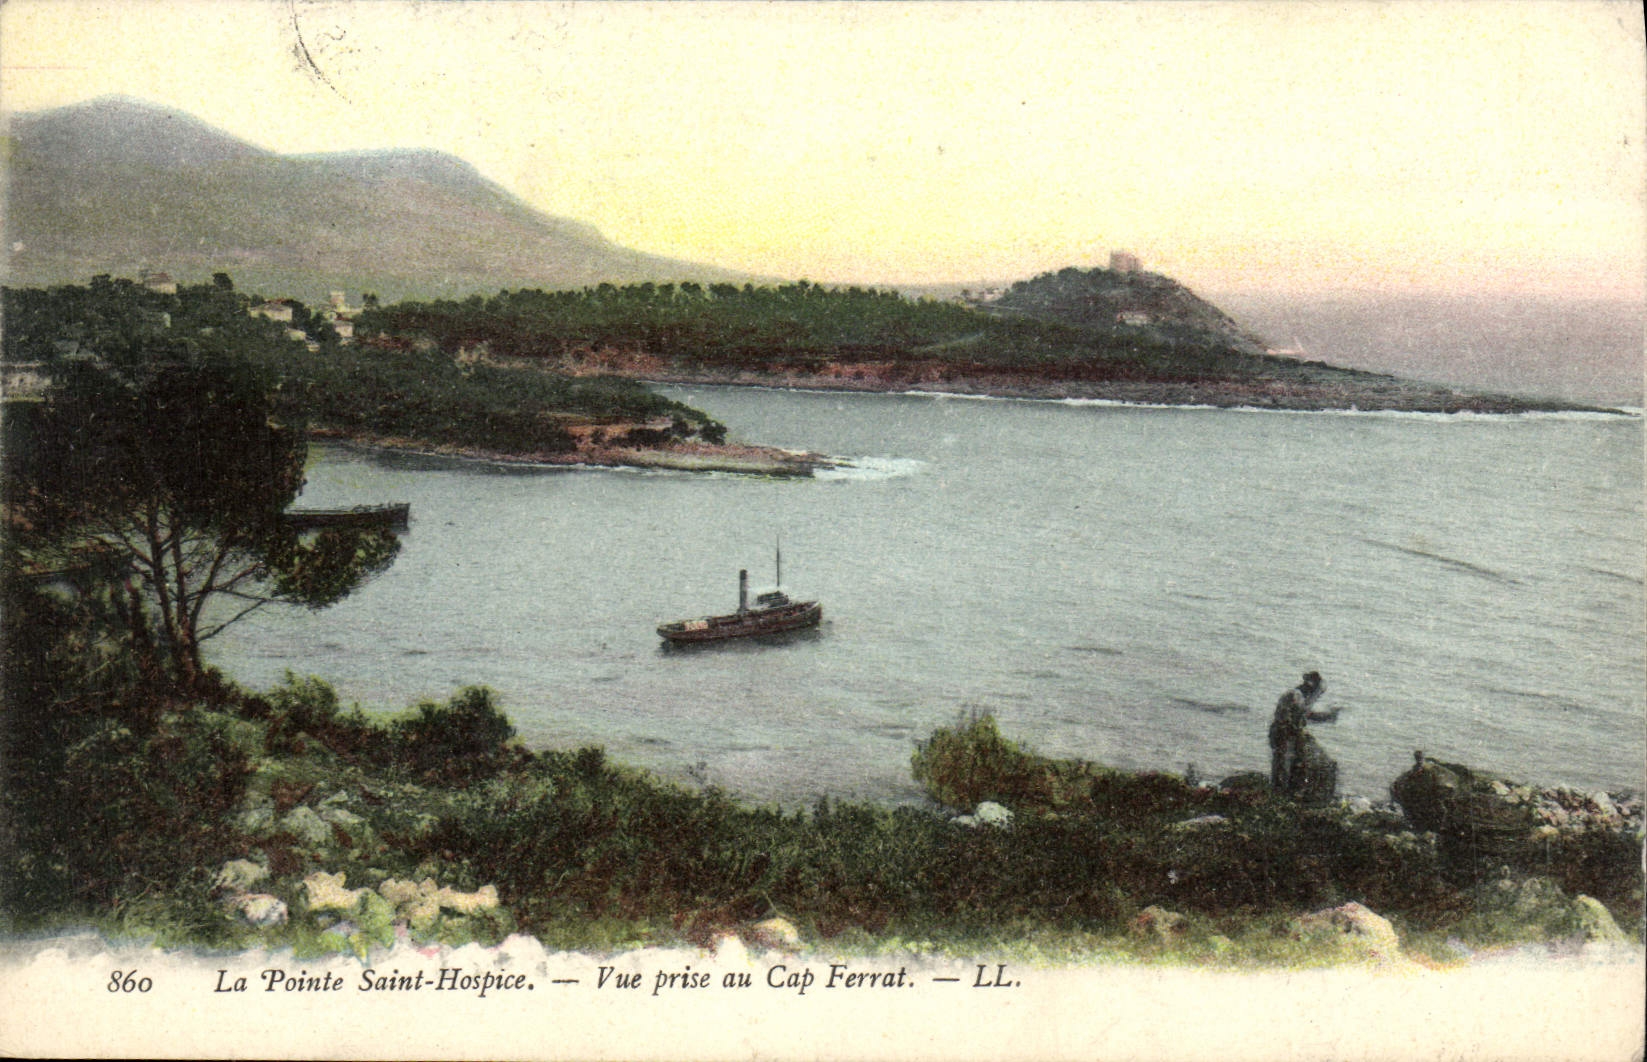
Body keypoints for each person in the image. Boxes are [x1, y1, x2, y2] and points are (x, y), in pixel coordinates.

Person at [1268, 671, 1340, 802]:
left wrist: (1328, 716)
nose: (1317, 696)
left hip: (1289, 735)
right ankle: (1281, 795)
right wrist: (1317, 695)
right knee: (1284, 765)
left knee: (1290, 765)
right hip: (1284, 734)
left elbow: (1306, 714)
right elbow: (1302, 712)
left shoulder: (1299, 697)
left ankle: (1286, 793)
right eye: (1318, 692)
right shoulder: (1295, 695)